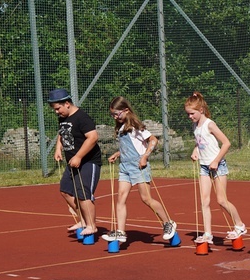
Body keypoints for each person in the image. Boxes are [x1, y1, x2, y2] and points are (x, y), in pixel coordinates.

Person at [102, 96, 177, 244]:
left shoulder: (135, 126)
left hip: (138, 166)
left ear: (126, 110)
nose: (115, 117)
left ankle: (168, 223)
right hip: (125, 167)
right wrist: (118, 154)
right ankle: (121, 232)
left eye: (117, 114)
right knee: (121, 198)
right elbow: (130, 146)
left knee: (146, 199)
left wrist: (144, 156)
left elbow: (153, 140)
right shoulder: (121, 128)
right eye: (113, 115)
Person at [185, 91, 247, 243]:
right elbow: (200, 141)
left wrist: (216, 161)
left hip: (217, 166)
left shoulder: (210, 124)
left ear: (200, 110)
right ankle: (207, 233)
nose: (190, 117)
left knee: (221, 200)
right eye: (188, 114)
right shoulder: (195, 125)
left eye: (192, 113)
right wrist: (195, 150)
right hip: (204, 167)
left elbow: (226, 143)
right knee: (204, 201)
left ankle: (240, 225)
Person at [49, 88, 101, 237]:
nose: (57, 112)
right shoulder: (63, 118)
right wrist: (58, 148)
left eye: (58, 108)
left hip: (88, 162)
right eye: (55, 109)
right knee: (65, 191)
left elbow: (92, 138)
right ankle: (84, 220)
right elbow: (62, 133)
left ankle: (92, 225)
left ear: (67, 103)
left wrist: (78, 156)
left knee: (83, 194)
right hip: (72, 162)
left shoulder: (82, 118)